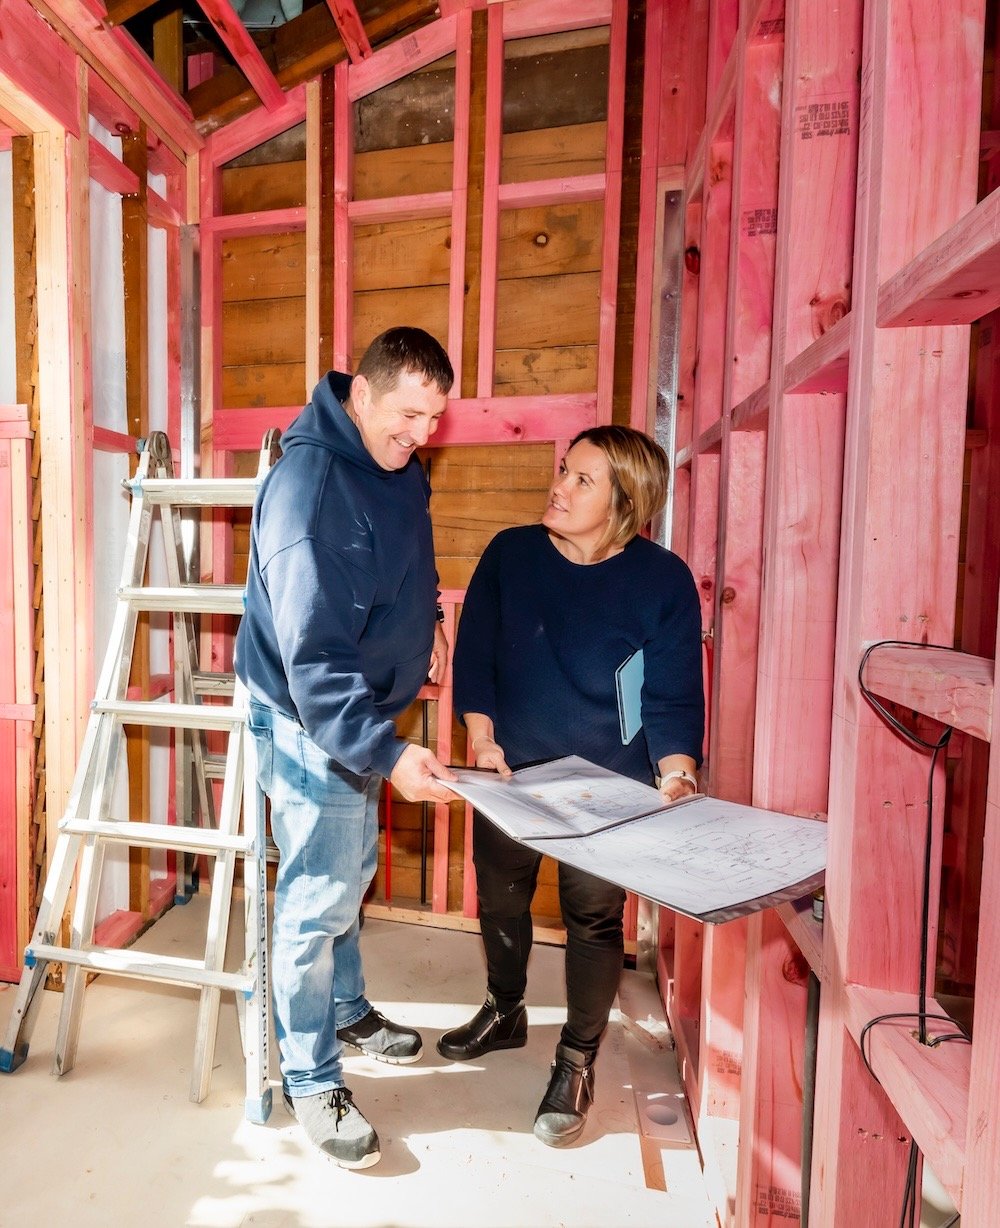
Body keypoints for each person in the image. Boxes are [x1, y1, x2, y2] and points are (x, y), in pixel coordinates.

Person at [438, 425, 704, 1147]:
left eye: (582, 479)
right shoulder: (511, 554)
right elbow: (478, 657)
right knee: (500, 896)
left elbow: (674, 693)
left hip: (607, 788)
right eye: (564, 470)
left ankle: (576, 1060)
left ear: (626, 502)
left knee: (592, 919)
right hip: (510, 776)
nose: (558, 485)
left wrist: (677, 772)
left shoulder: (663, 579)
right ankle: (505, 1008)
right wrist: (482, 736)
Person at [235, 327, 458, 1169]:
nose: (420, 436)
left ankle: (347, 1006)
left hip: (361, 712)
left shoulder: (395, 464)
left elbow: (412, 557)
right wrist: (388, 752)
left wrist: (430, 617)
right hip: (310, 716)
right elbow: (315, 661)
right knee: (319, 891)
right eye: (407, 415)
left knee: (349, 869)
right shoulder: (311, 492)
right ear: (360, 395)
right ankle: (310, 1074)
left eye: (434, 419)